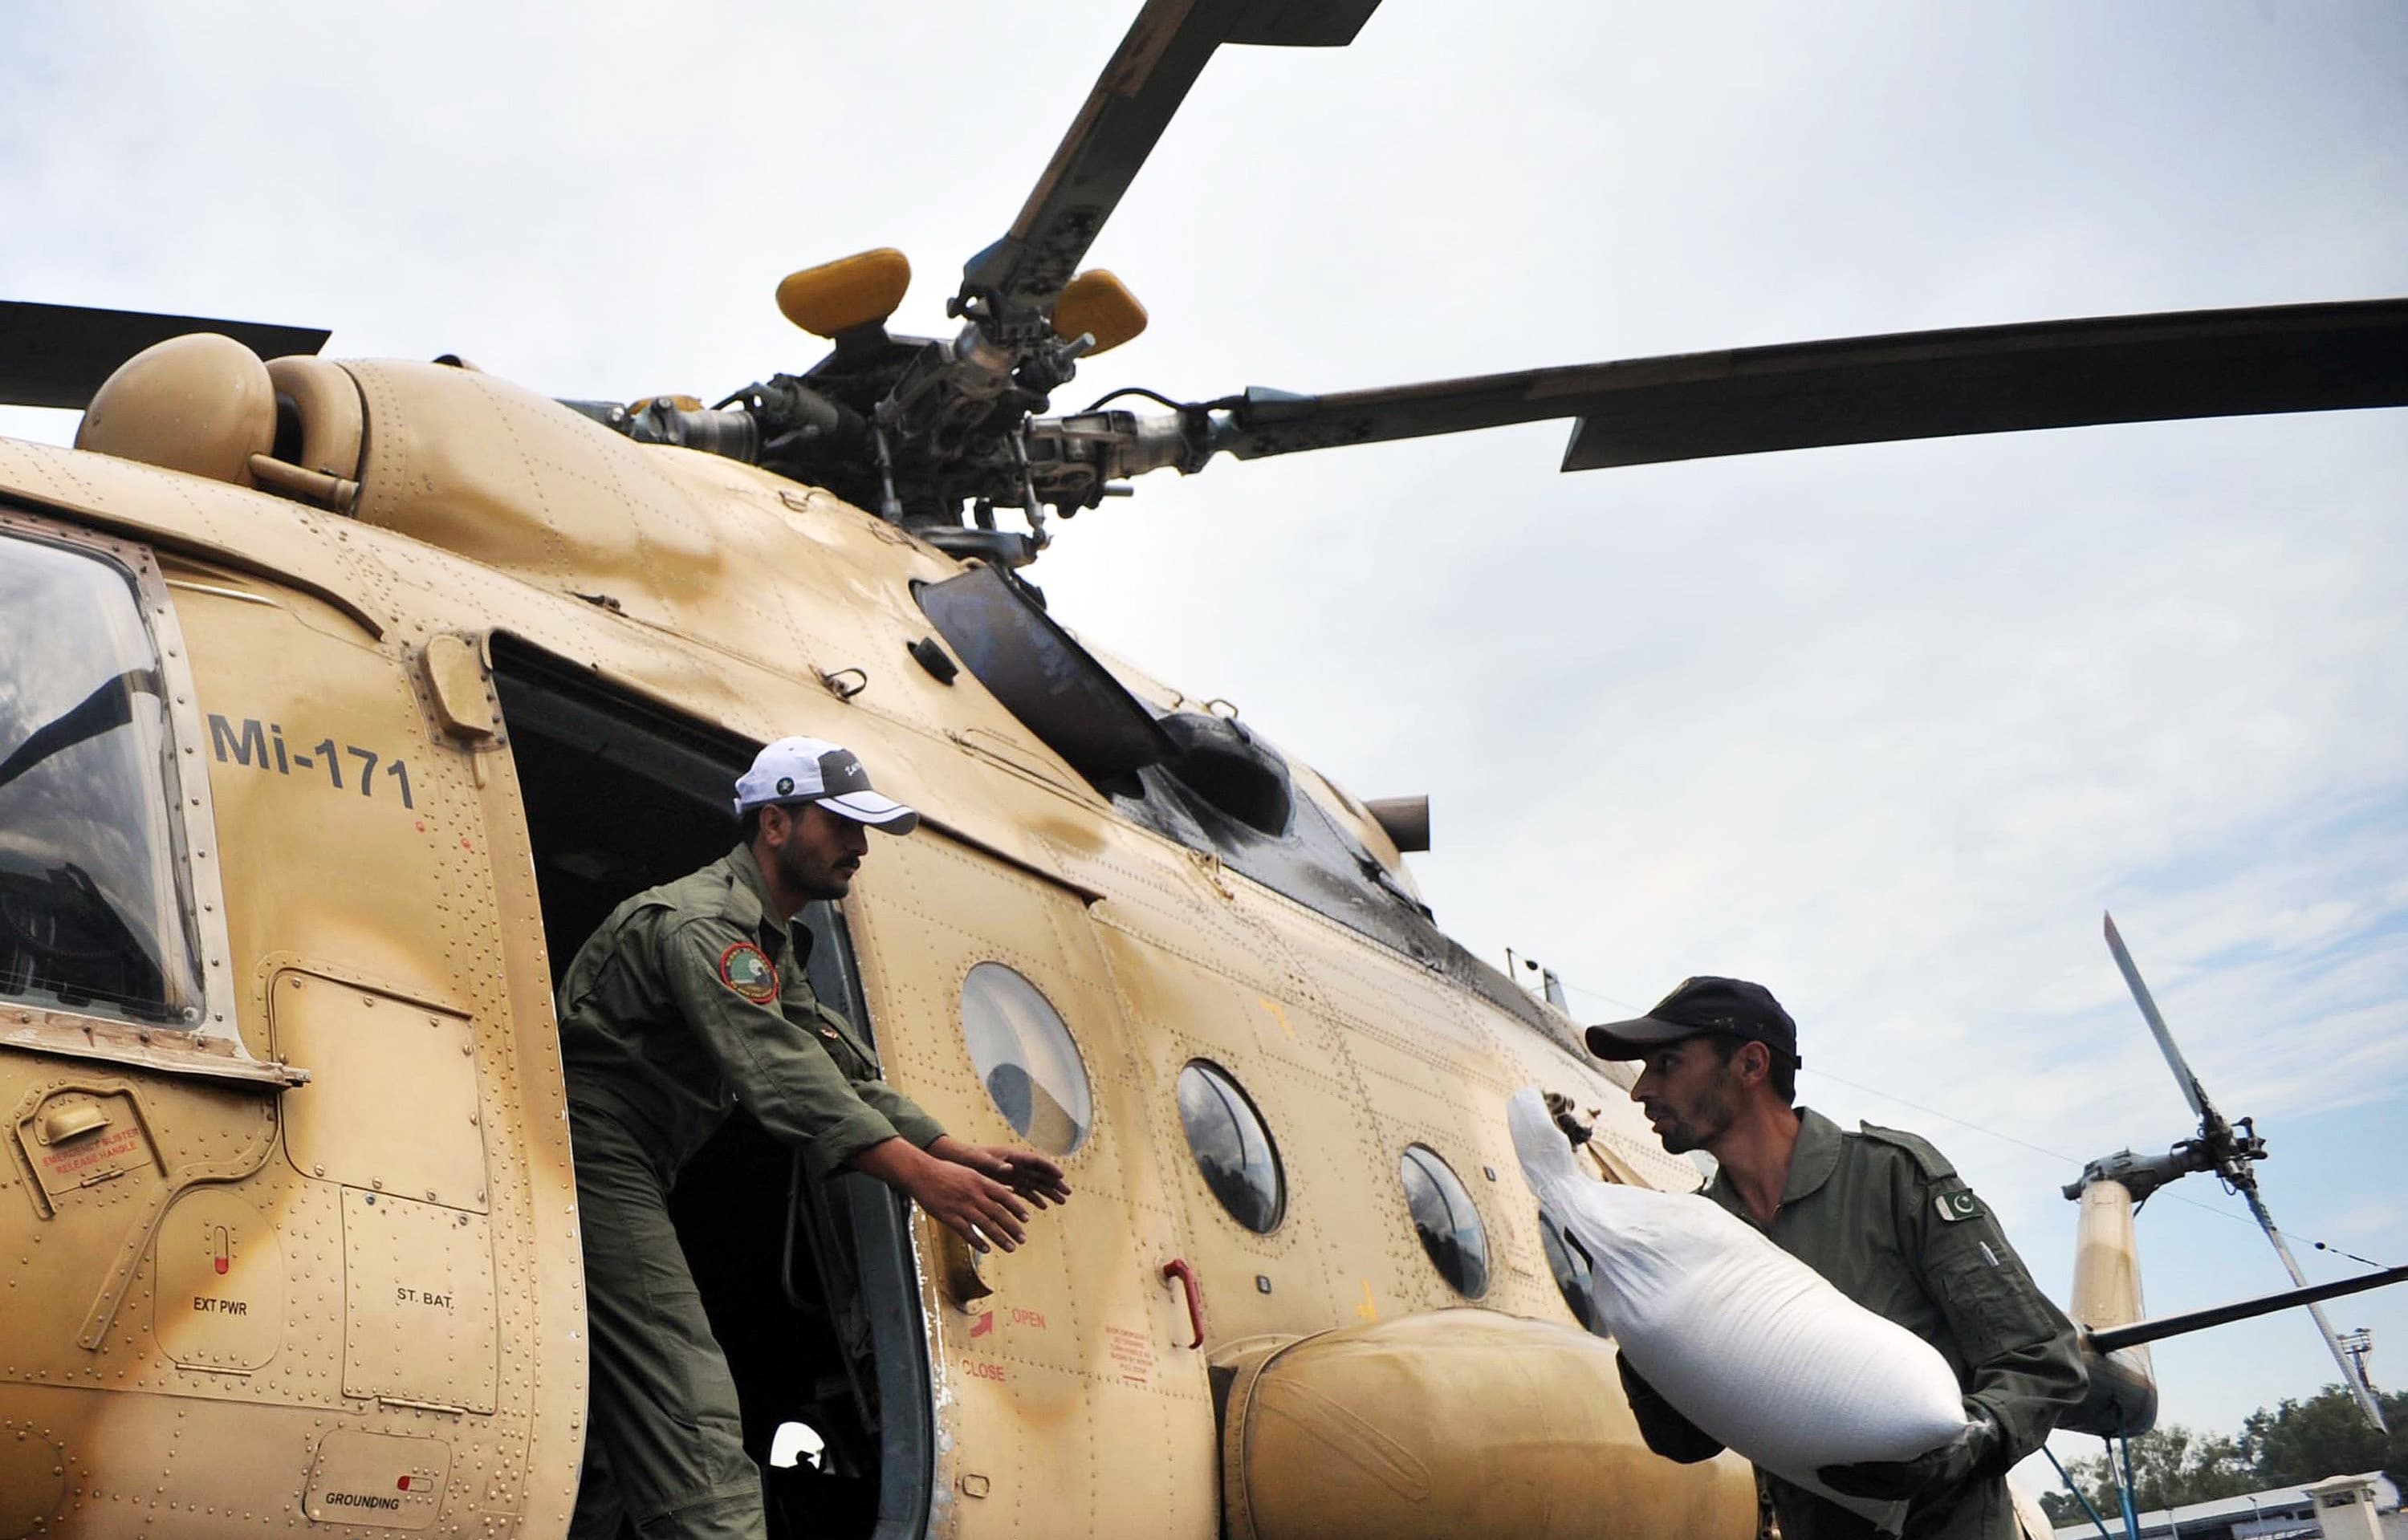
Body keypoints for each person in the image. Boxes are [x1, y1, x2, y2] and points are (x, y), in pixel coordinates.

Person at [558, 735, 1072, 1540]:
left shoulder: (766, 941)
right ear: (774, 823)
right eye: (840, 825)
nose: (860, 846)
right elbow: (777, 1073)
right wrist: (914, 1174)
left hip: (634, 1163)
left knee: (620, 1436)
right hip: (590, 1154)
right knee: (689, 1405)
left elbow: (828, 1064)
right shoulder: (706, 926)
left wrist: (950, 1150)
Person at [1584, 976, 2085, 1540]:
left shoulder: (1891, 1179)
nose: (1641, 1089)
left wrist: (1975, 1436)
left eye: (1668, 1063)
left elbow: (2042, 1357)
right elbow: (1684, 1441)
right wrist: (1626, 1289)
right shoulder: (1692, 1237)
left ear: (1751, 1065)